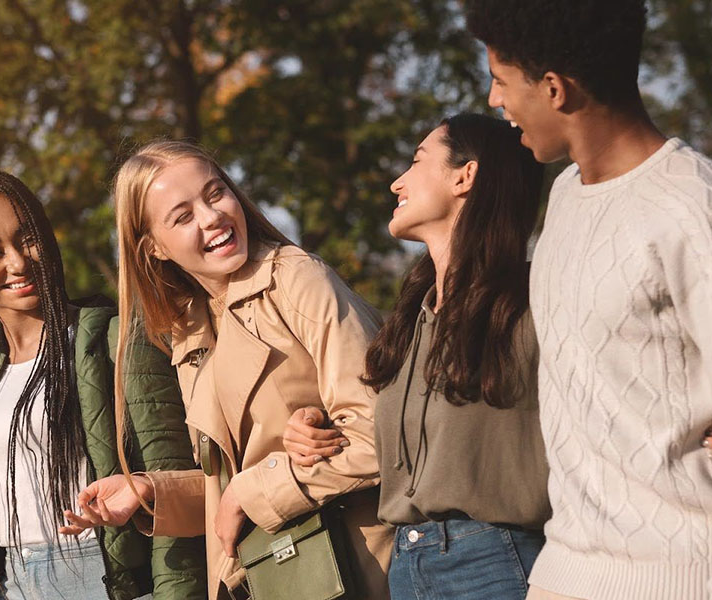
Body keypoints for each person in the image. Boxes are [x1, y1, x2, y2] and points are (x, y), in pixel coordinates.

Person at [58, 140, 393, 599]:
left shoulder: (295, 278)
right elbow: (232, 492)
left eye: (215, 193)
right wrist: (150, 491)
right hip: (269, 579)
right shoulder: (189, 327)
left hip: (355, 569)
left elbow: (386, 432)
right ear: (153, 247)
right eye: (183, 216)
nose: (212, 216)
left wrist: (250, 491)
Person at [465, 1, 712, 598]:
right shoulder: (569, 196)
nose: (495, 100)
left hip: (675, 575)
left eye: (501, 80)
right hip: (563, 568)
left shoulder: (691, 206)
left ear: (554, 89)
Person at [282, 113, 549, 599]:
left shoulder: (535, 300)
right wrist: (314, 431)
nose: (396, 180)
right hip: (405, 566)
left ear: (464, 176)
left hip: (496, 564)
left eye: (417, 160)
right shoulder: (413, 320)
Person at [0, 171, 205, 600]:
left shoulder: (117, 340)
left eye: (28, 239)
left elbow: (172, 482)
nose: (19, 262)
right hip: (11, 580)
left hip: (104, 576)